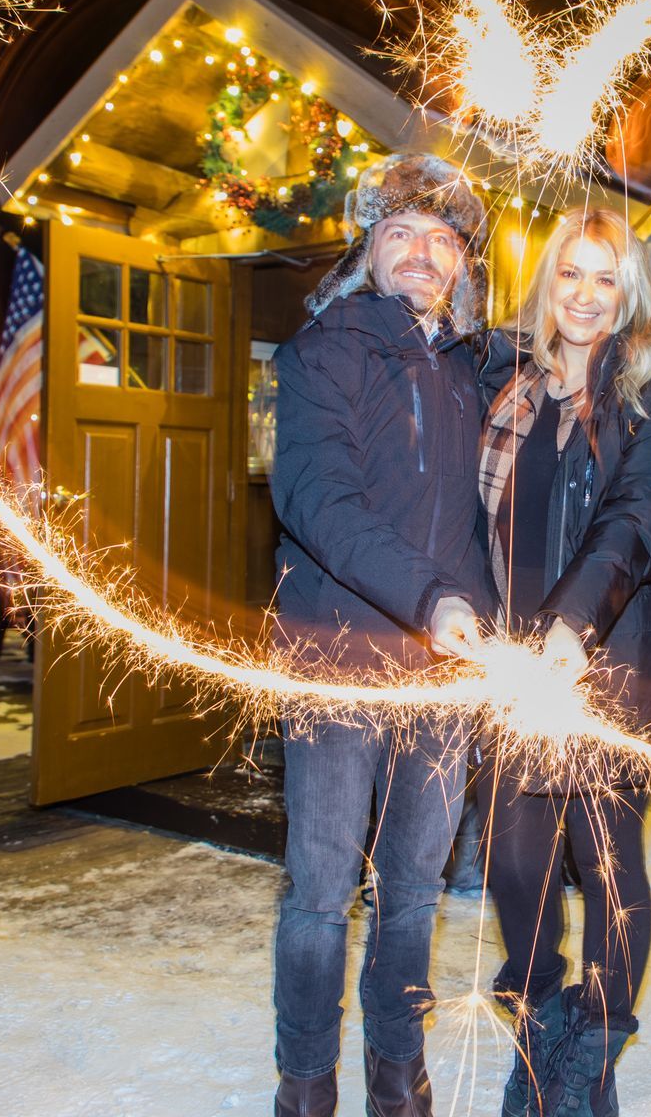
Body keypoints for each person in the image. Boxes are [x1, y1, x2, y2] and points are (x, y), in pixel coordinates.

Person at [269, 151, 496, 1117]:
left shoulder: (481, 369)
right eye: (401, 232)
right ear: (368, 248)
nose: (421, 252)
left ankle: (396, 1074)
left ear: (464, 266)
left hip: (448, 684)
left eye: (443, 238)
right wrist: (435, 596)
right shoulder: (325, 352)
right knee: (321, 896)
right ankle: (306, 1080)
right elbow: (317, 498)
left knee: (412, 893)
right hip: (338, 664)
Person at [476, 207, 651, 1117]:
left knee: (605, 859)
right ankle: (536, 1024)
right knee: (517, 863)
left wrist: (570, 631)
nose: (585, 294)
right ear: (546, 283)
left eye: (605, 277)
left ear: (629, 291)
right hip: (510, 663)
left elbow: (641, 514)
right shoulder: (506, 383)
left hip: (614, 657)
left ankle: (592, 1051)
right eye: (569, 273)